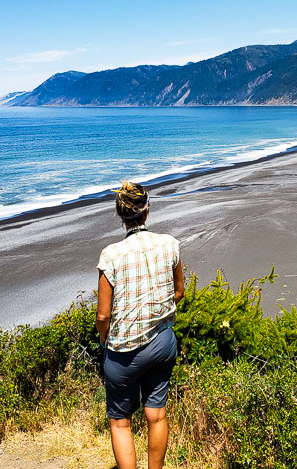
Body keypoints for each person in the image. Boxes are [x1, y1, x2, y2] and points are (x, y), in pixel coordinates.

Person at [96, 180, 184, 469]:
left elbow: (103, 316)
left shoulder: (111, 255)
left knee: (121, 422)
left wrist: (104, 342)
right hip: (162, 343)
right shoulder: (169, 244)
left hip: (123, 352)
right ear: (147, 209)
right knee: (156, 414)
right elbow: (179, 292)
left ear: (121, 215)